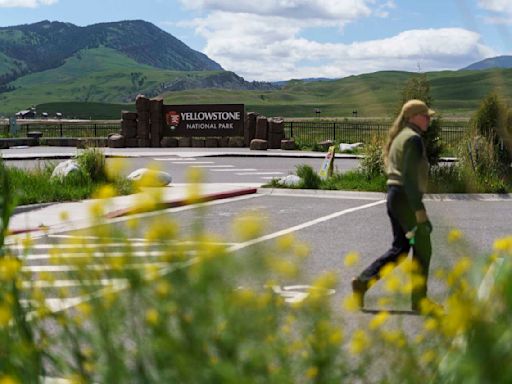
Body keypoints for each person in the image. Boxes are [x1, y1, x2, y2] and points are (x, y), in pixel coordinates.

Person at [351, 99, 437, 313]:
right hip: (405, 199)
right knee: (422, 247)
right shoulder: (413, 139)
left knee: (401, 248)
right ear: (413, 117)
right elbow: (409, 178)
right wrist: (419, 212)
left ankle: (363, 282)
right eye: (425, 116)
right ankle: (419, 301)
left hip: (395, 197)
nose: (428, 119)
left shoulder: (401, 136)